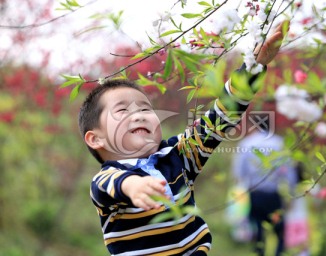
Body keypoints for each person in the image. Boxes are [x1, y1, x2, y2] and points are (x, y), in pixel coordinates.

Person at [78, 21, 288, 256]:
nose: (139, 115)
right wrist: (133, 185)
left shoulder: (178, 156)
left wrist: (253, 66)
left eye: (145, 109)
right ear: (96, 139)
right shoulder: (106, 178)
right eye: (123, 110)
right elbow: (112, 185)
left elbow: (219, 118)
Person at [231, 119, 298, 256]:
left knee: (257, 231)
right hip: (273, 195)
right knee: (279, 230)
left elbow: (238, 174)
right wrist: (292, 195)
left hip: (254, 195)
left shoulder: (246, 143)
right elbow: (290, 174)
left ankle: (259, 253)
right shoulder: (279, 143)